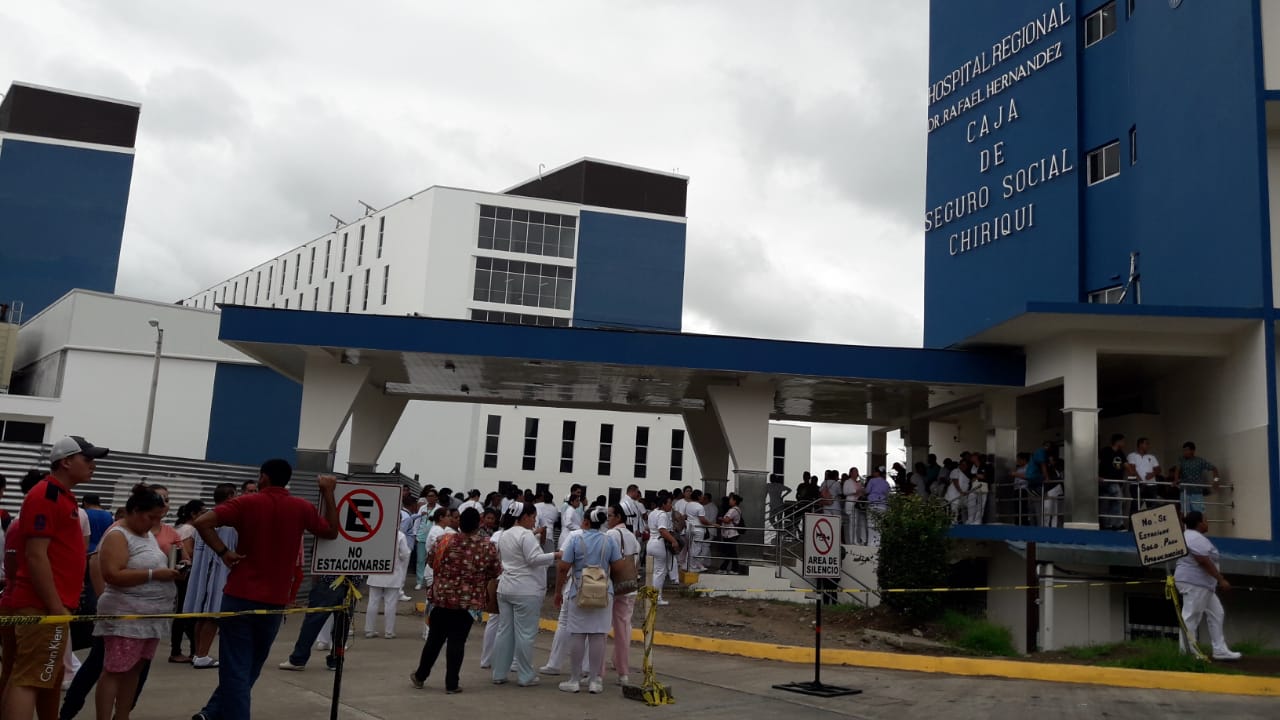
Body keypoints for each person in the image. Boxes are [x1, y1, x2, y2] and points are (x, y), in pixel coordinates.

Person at [190, 461, 339, 720]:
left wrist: (223, 552)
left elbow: (202, 522)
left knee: (235, 666)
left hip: (239, 595)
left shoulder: (246, 503)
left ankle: (220, 713)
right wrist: (328, 492)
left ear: (263, 478)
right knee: (251, 666)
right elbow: (331, 531)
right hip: (274, 600)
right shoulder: (301, 508)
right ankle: (211, 712)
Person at [0, 436, 109, 720]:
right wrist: (55, 608)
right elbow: (36, 556)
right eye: (87, 460)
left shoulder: (61, 496)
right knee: (29, 678)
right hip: (42, 603)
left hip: (49, 602)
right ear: (66, 461)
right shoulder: (46, 495)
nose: (93, 466)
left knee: (49, 672)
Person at [93, 485, 181, 720]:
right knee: (115, 669)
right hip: (126, 615)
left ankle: (122, 715)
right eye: (151, 517)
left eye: (158, 518)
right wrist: (154, 574)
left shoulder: (147, 534)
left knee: (134, 669)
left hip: (149, 616)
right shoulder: (117, 535)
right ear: (134, 511)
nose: (154, 523)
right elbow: (112, 574)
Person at [409, 508, 501, 694]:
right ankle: (451, 684)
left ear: (459, 523)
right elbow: (495, 571)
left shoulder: (444, 540)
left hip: (442, 598)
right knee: (457, 642)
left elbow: (430, 561)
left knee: (435, 639)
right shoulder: (486, 546)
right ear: (478, 524)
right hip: (467, 602)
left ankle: (420, 675)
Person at [555, 506, 624, 695]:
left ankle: (574, 679)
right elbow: (618, 567)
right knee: (598, 635)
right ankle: (595, 680)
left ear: (586, 521)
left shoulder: (576, 539)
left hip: (579, 589)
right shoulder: (609, 540)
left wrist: (558, 591)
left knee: (577, 634)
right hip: (603, 591)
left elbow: (563, 567)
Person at [491, 503, 557, 687]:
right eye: (533, 516)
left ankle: (499, 672)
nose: (534, 520)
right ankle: (525, 675)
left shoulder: (504, 534)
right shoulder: (526, 535)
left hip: (505, 588)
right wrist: (556, 555)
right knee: (525, 634)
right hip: (526, 590)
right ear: (525, 517)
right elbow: (534, 559)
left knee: (504, 632)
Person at [184, 483, 238, 669]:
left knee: (203, 615)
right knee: (212, 615)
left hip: (205, 574)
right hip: (217, 573)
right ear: (231, 496)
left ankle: (198, 653)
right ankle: (202, 654)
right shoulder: (227, 522)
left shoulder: (204, 519)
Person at [1175, 511, 1241, 660]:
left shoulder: (1191, 536)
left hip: (1202, 584)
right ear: (1199, 523)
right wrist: (1221, 579)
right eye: (1206, 520)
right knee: (1191, 616)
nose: (1207, 522)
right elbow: (1203, 561)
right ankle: (1187, 652)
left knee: (1217, 613)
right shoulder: (1194, 537)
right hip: (1195, 582)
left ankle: (1219, 650)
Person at [602, 504, 640, 686]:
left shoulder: (610, 535)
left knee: (601, 629)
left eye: (610, 516)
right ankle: (623, 672)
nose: (607, 519)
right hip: (628, 586)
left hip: (611, 587)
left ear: (618, 517)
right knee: (623, 630)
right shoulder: (632, 536)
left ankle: (597, 671)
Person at [169, 499, 203, 664]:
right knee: (186, 614)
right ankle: (190, 651)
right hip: (187, 576)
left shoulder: (180, 528)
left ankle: (187, 650)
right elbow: (188, 553)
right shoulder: (190, 529)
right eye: (201, 513)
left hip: (181, 576)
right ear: (193, 514)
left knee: (183, 614)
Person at [365, 528, 412, 638]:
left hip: (376, 571)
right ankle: (389, 632)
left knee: (373, 602)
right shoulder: (400, 535)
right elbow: (405, 554)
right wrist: (398, 559)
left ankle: (369, 630)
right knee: (390, 603)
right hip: (393, 573)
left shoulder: (376, 532)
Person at [645, 491, 679, 606]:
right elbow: (663, 530)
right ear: (663, 504)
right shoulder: (663, 514)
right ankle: (656, 597)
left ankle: (651, 595)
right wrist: (673, 540)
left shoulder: (652, 513)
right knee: (660, 572)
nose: (671, 505)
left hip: (651, 542)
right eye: (669, 503)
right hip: (659, 543)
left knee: (655, 571)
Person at [1172, 441, 1221, 514]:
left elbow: (1214, 469)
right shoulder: (1181, 459)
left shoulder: (1199, 461)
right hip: (1185, 491)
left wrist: (1216, 481)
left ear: (1192, 451)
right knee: (1184, 513)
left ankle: (1202, 525)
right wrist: (1176, 480)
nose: (1184, 452)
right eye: (1183, 450)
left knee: (1200, 514)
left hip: (1197, 492)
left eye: (1186, 450)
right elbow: (1177, 470)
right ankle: (1186, 526)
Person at [1098, 433, 1133, 530]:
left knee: (1108, 502)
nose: (1124, 443)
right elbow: (1097, 462)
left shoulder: (1120, 453)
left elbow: (1126, 465)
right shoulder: (1105, 451)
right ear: (1118, 442)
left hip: (1116, 481)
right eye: (1123, 441)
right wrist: (1096, 476)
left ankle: (1108, 524)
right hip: (1106, 480)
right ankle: (1118, 524)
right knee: (1118, 499)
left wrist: (1132, 472)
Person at [413, 488, 439, 590]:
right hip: (422, 536)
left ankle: (432, 580)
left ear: (436, 497)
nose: (430, 498)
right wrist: (415, 534)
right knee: (420, 560)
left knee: (433, 560)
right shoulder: (423, 508)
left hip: (434, 538)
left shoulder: (439, 509)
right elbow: (417, 521)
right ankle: (420, 581)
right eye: (428, 496)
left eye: (432, 496)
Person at [718, 494, 745, 575]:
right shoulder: (736, 509)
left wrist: (720, 518)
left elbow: (727, 520)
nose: (729, 501)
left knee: (731, 552)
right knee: (730, 552)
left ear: (734, 501)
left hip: (731, 534)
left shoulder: (733, 510)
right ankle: (726, 568)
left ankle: (733, 569)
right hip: (730, 533)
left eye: (731, 499)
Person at [865, 468, 892, 543]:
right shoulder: (886, 483)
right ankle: (878, 544)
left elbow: (867, 491)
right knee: (879, 526)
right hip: (883, 506)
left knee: (871, 526)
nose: (873, 473)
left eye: (874, 471)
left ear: (877, 473)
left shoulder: (872, 481)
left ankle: (871, 545)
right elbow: (888, 494)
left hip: (872, 505)